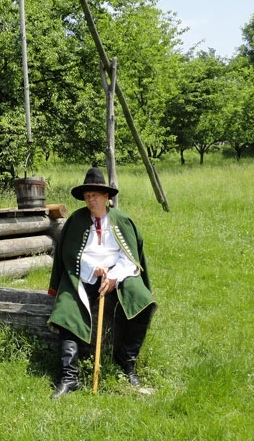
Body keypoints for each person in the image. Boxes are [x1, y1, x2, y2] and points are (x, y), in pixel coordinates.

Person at [47, 166, 157, 398]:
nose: (91, 199)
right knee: (67, 309)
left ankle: (127, 362)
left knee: (142, 301)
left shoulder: (121, 220)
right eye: (87, 196)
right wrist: (92, 269)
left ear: (106, 197)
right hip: (82, 275)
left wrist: (114, 276)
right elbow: (69, 256)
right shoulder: (76, 221)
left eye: (95, 195)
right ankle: (70, 377)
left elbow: (130, 256)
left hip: (118, 274)